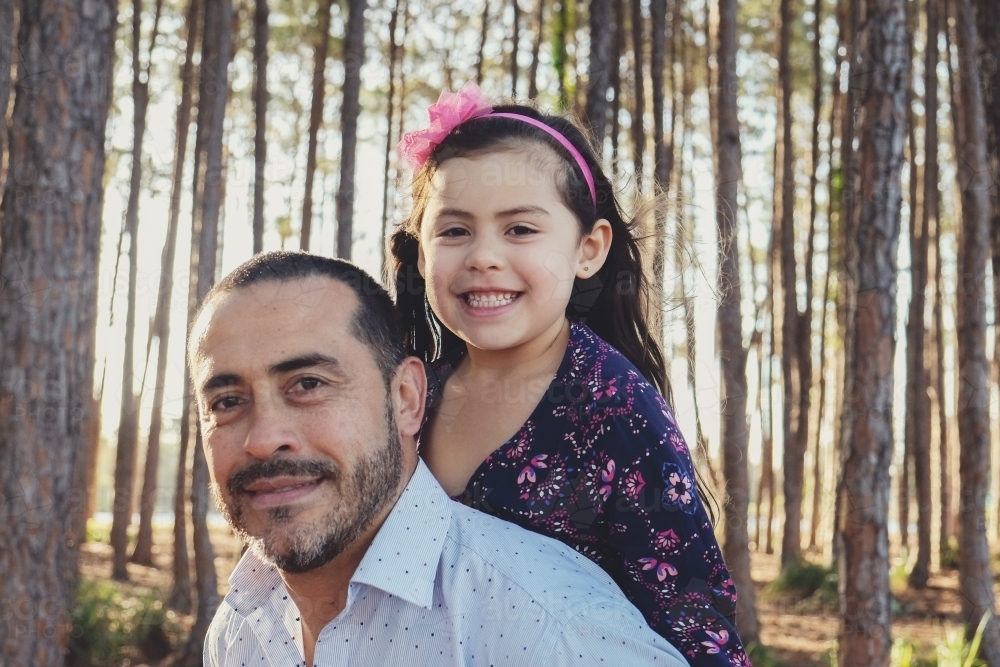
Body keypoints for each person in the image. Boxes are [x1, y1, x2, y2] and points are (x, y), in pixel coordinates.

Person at [389, 83, 749, 666]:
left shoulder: (618, 413)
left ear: (588, 249)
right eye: (454, 231)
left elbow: (695, 624)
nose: (483, 255)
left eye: (520, 229)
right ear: (423, 253)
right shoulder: (410, 396)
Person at [189, 251, 689, 667]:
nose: (263, 438)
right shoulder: (240, 629)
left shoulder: (552, 629)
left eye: (309, 385)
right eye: (227, 401)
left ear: (406, 398)